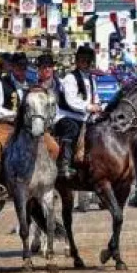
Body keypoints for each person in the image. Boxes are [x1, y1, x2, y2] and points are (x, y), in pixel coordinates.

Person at [54, 45, 102, 178]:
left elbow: (95, 97)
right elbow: (71, 101)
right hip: (68, 115)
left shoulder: (91, 79)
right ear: (77, 61)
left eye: (88, 61)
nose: (86, 63)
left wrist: (99, 107)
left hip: (85, 117)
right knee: (72, 128)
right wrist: (89, 107)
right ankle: (64, 164)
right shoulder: (70, 78)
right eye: (83, 60)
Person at [0, 52, 30, 124]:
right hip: (8, 125)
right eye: (19, 68)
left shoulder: (30, 85)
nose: (22, 71)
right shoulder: (2, 84)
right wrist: (13, 114)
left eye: (24, 68)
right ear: (12, 67)